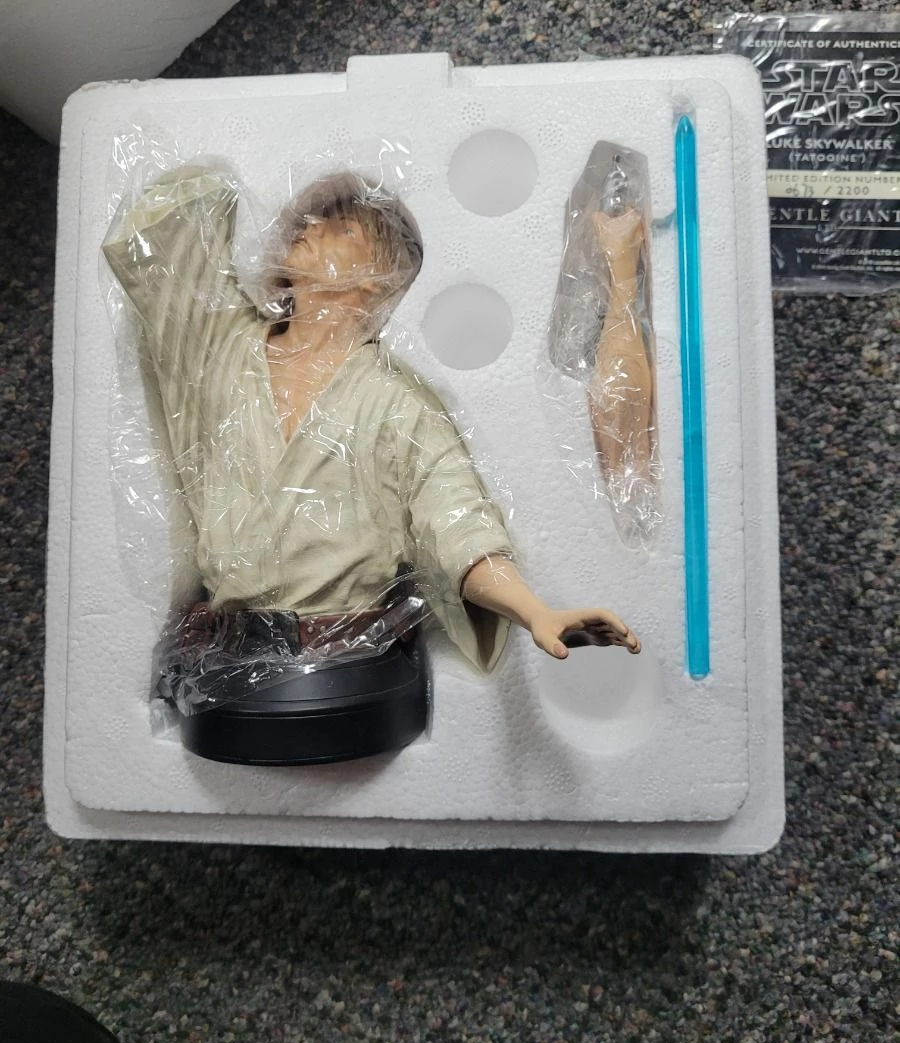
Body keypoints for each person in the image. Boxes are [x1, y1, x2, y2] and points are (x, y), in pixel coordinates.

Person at [103, 165, 639, 761]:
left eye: (341, 228)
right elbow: (163, 251)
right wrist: (214, 178)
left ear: (375, 281)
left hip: (350, 669)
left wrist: (534, 611)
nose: (308, 228)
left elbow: (457, 521)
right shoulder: (221, 352)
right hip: (226, 667)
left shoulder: (396, 403)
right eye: (307, 220)